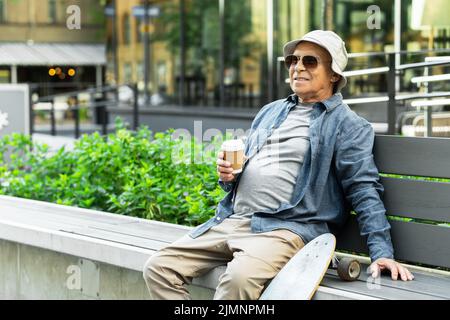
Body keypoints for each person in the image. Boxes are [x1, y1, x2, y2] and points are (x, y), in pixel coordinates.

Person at [143, 30, 414, 300]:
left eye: (310, 61)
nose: (297, 67)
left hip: (285, 230)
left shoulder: (348, 125)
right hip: (233, 221)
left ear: (334, 74)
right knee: (159, 268)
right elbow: (241, 172)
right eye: (293, 60)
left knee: (238, 280)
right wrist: (229, 175)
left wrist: (382, 254)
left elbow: (363, 189)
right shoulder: (271, 111)